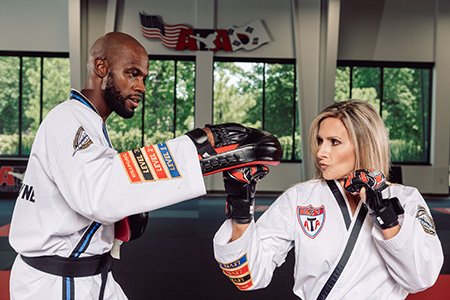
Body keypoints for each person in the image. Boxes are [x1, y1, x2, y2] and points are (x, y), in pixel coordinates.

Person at [8, 32, 282, 300]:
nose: (141, 87)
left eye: (143, 77)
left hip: (92, 275)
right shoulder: (69, 120)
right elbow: (97, 195)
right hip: (60, 284)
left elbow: (94, 187)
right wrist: (202, 146)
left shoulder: (90, 123)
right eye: (132, 73)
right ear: (101, 67)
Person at [213, 100, 444, 299]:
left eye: (334, 142)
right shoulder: (300, 198)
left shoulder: (406, 199)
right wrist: (240, 207)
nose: (320, 152)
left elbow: (420, 279)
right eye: (320, 140)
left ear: (364, 145)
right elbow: (251, 275)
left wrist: (387, 218)